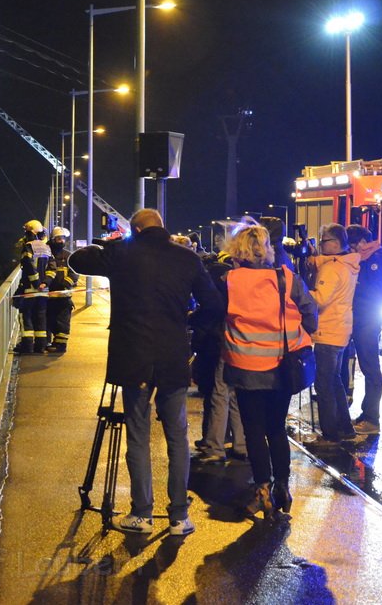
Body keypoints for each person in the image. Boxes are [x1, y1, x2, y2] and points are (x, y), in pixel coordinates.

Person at [70, 208, 221, 536]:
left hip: (132, 357)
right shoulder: (186, 258)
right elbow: (213, 304)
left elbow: (76, 260)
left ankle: (142, 513)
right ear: (162, 227)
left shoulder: (121, 254)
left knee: (137, 434)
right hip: (173, 356)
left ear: (135, 230)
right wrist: (187, 324)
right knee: (177, 435)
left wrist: (109, 242)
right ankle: (180, 516)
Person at [220, 225, 317, 519]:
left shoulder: (229, 281)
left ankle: (262, 489)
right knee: (276, 429)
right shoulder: (285, 278)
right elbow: (310, 314)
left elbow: (215, 316)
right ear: (268, 248)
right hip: (281, 367)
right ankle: (283, 487)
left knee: (253, 431)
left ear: (238, 250)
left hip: (245, 367)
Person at [190, 248, 247, 465]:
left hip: (225, 341)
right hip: (245, 342)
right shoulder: (257, 276)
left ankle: (215, 445)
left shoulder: (222, 279)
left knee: (219, 394)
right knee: (234, 395)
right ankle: (241, 444)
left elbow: (211, 311)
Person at [306, 223, 361, 447]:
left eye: (324, 242)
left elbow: (319, 300)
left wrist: (301, 292)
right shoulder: (347, 265)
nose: (320, 246)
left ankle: (330, 434)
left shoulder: (331, 269)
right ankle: (345, 427)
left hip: (327, 330)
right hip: (341, 328)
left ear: (336, 244)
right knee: (335, 380)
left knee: (324, 384)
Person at [345, 224, 382, 434]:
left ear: (363, 243)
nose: (351, 249)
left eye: (352, 245)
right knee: (364, 368)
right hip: (361, 319)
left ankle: (372, 419)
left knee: (371, 369)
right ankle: (366, 415)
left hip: (366, 320)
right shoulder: (367, 259)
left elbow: (371, 293)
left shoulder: (376, 261)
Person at [15, 219, 56, 354]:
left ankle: (27, 347)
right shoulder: (47, 248)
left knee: (26, 317)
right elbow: (52, 269)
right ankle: (40, 347)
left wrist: (37, 283)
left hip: (29, 290)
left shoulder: (28, 247)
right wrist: (45, 283)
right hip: (43, 291)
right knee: (40, 318)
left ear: (30, 232)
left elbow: (28, 266)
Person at [45, 226, 77, 354]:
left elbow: (74, 273)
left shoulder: (68, 256)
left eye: (63, 238)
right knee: (52, 321)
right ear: (53, 239)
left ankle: (61, 346)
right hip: (50, 296)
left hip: (64, 296)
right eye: (58, 238)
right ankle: (55, 343)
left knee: (62, 322)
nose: (61, 241)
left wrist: (66, 284)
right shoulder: (47, 254)